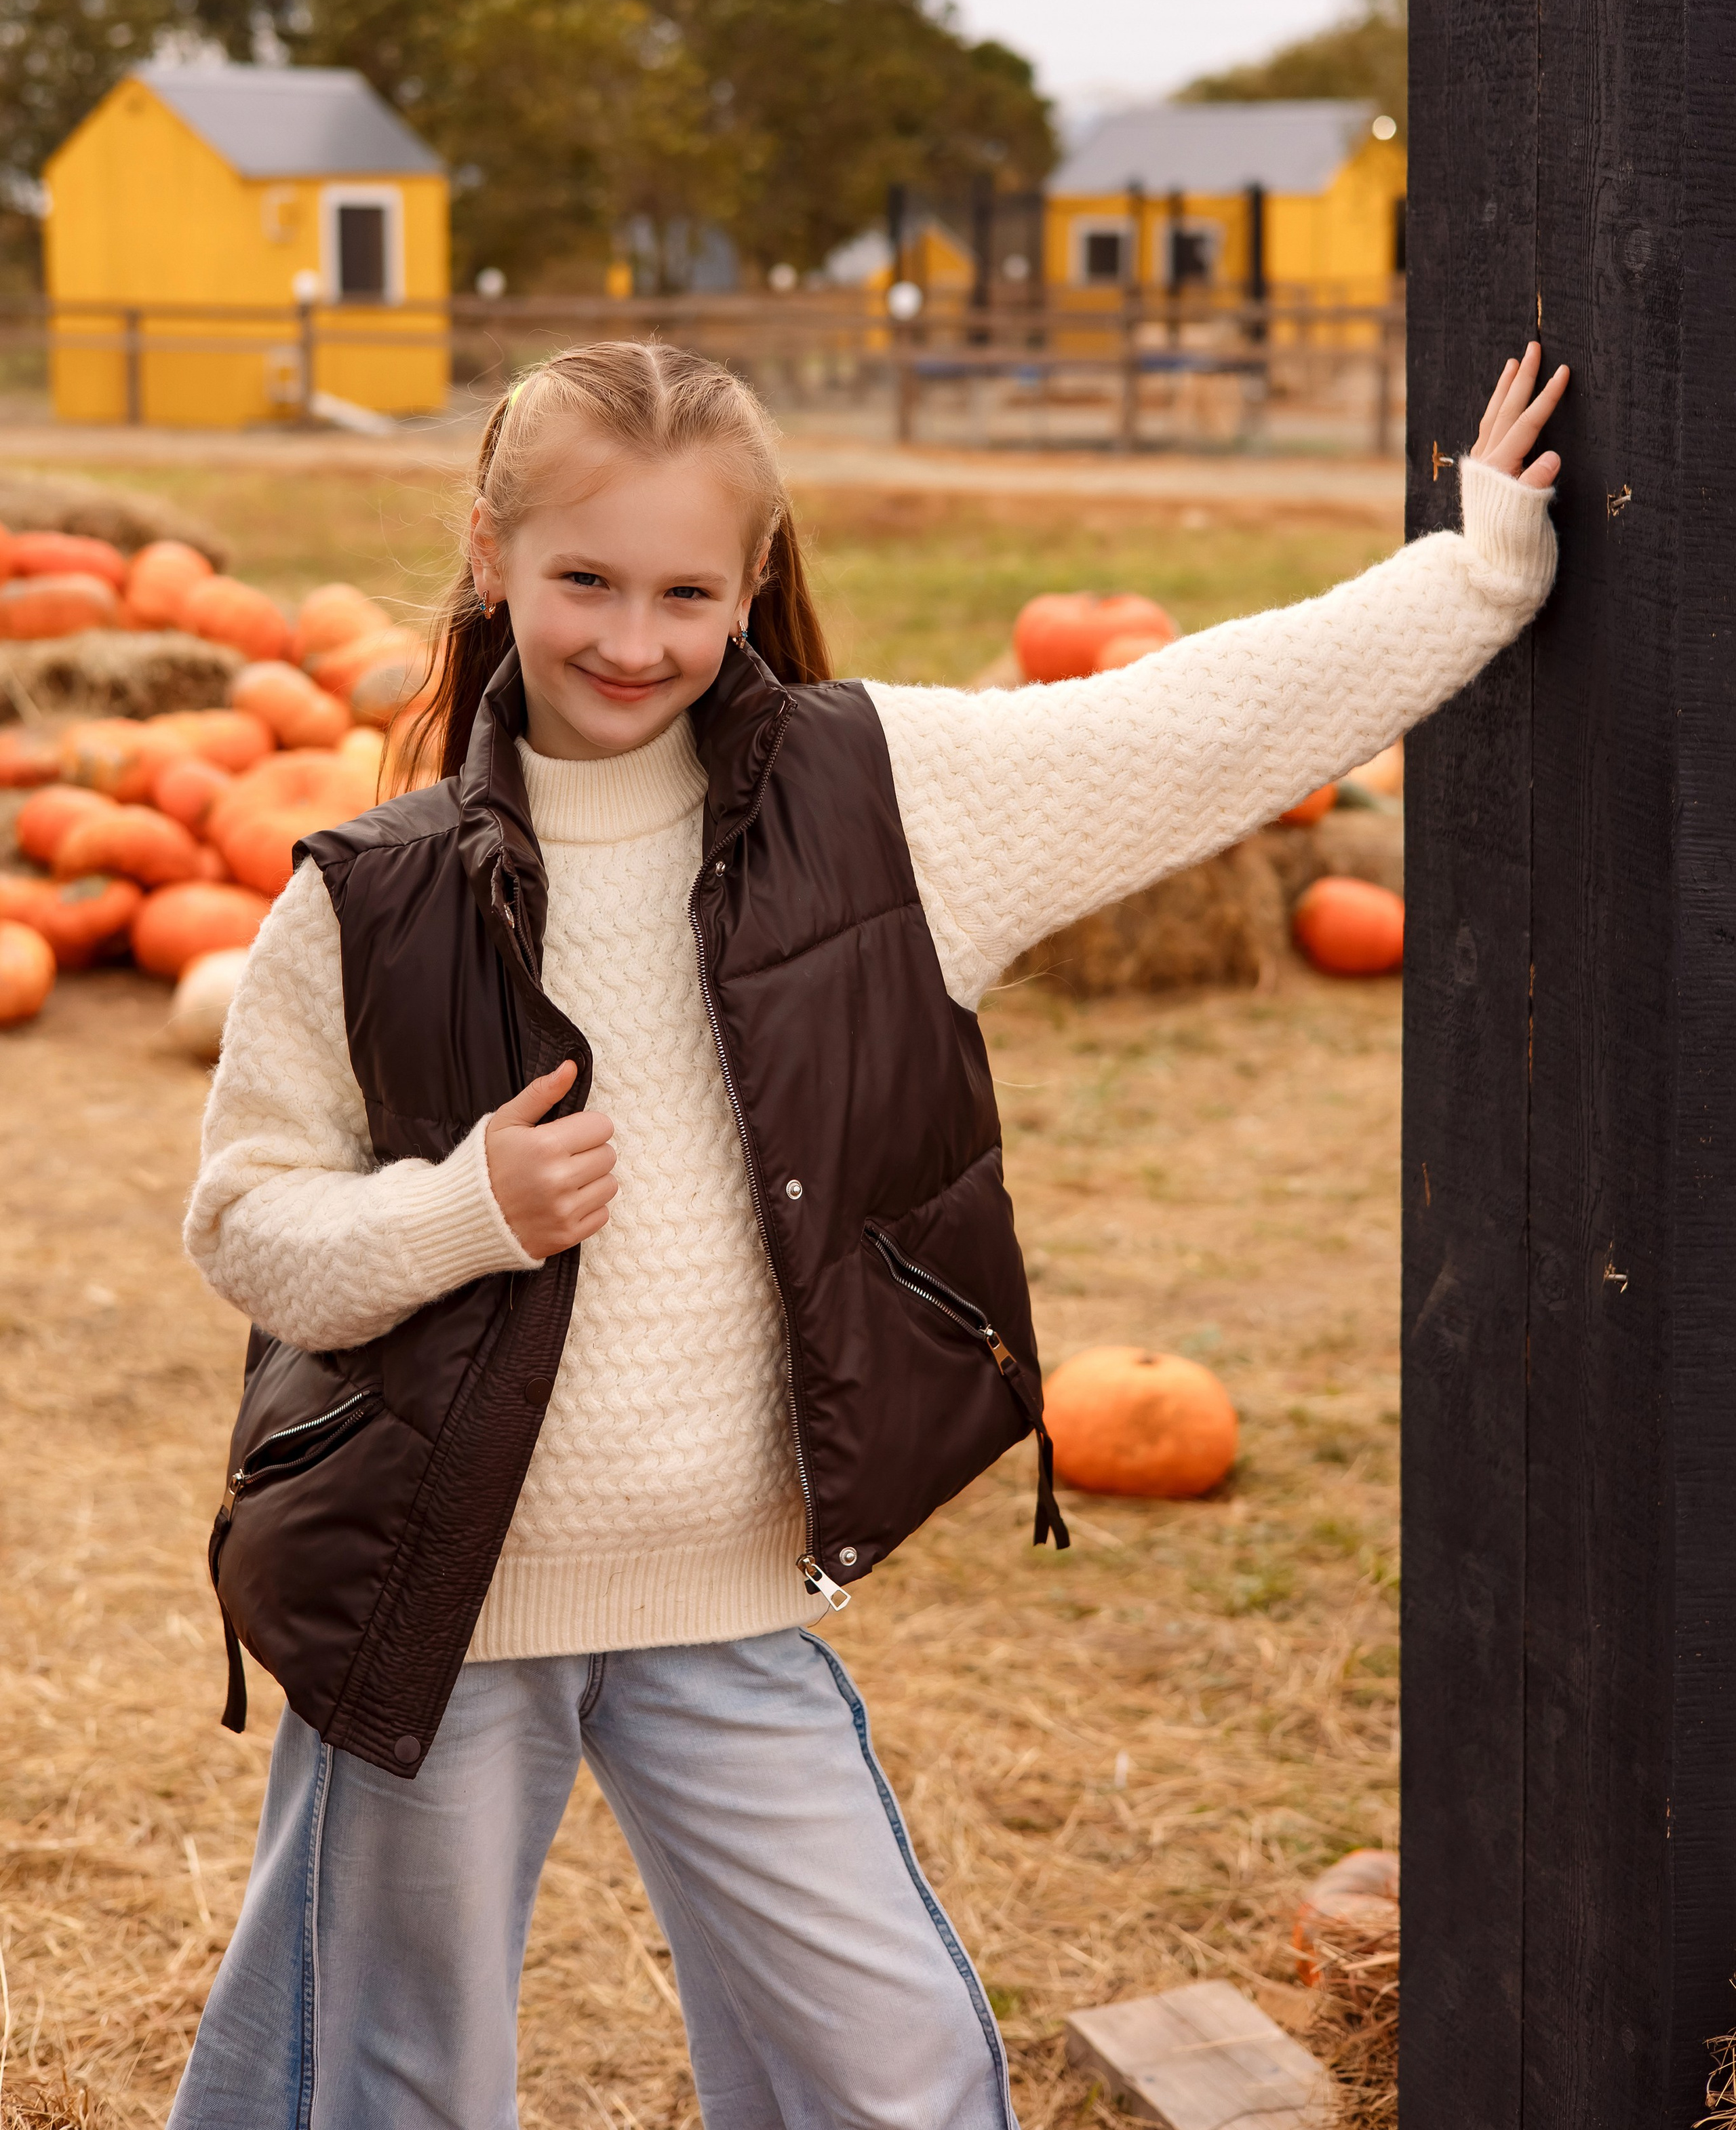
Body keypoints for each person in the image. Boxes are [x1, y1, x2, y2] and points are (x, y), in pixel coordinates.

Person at [170, 336, 1565, 2130]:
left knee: (888, 2066)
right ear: (491, 556)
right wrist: (465, 1213)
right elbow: (249, 1224)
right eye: (585, 579)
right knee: (387, 2082)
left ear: (754, 580)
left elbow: (1190, 724)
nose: (632, 639)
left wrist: (1476, 569)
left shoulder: (885, 804)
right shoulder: (369, 897)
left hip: (726, 1596)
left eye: (687, 592)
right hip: (436, 1593)